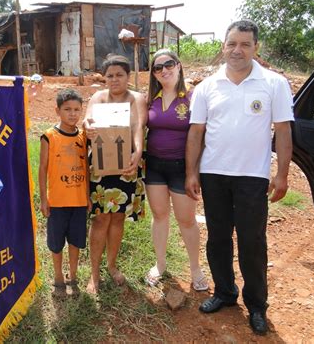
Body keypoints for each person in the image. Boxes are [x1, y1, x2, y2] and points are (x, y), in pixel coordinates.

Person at [185, 20, 293, 335]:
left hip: (252, 177)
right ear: (223, 46)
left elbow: (284, 131)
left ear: (255, 48)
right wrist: (192, 171)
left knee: (252, 242)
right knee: (218, 238)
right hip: (213, 174)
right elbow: (196, 132)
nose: (237, 50)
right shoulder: (207, 86)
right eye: (232, 43)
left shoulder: (274, 84)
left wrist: (282, 174)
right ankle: (224, 292)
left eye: (245, 44)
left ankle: (257, 306)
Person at [144, 49, 207, 291]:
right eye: (158, 68)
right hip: (155, 168)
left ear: (179, 65)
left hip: (183, 168)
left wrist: (195, 171)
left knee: (186, 220)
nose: (164, 70)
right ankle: (160, 265)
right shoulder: (151, 98)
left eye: (168, 64)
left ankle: (195, 269)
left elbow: (201, 137)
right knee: (159, 217)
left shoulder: (192, 97)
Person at [83, 54, 147, 294]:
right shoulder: (97, 97)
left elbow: (137, 127)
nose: (114, 79)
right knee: (100, 218)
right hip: (100, 166)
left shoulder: (136, 98)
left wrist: (138, 151)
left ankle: (111, 265)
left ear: (127, 76)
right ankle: (94, 274)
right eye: (110, 75)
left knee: (118, 217)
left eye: (119, 75)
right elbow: (87, 121)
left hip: (126, 165)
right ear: (104, 78)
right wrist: (88, 127)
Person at [39, 88, 90, 297]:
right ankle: (58, 277)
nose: (72, 114)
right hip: (57, 202)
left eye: (77, 109)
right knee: (56, 242)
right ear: (57, 110)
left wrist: (87, 197)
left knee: (76, 240)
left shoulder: (83, 136)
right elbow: (42, 169)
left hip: (78, 201)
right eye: (67, 109)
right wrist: (44, 199)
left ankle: (73, 275)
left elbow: (87, 168)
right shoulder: (49, 137)